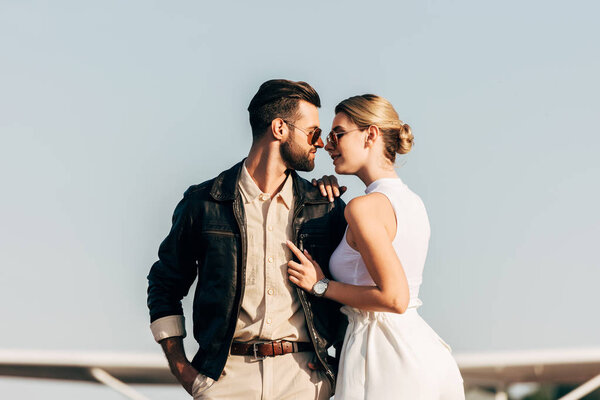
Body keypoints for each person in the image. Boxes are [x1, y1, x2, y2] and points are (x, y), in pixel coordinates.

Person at [147, 79, 348, 399]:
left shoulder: (325, 206)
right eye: (313, 133)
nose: (321, 144)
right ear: (280, 128)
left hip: (303, 381)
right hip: (226, 381)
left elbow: (356, 287)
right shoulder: (204, 202)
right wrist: (184, 369)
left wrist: (335, 369)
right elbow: (164, 284)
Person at [286, 94, 465, 399]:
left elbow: (394, 297)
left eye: (337, 134)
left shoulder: (363, 209)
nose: (328, 145)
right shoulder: (413, 203)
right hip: (421, 352)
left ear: (371, 134)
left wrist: (320, 286)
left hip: (384, 360)